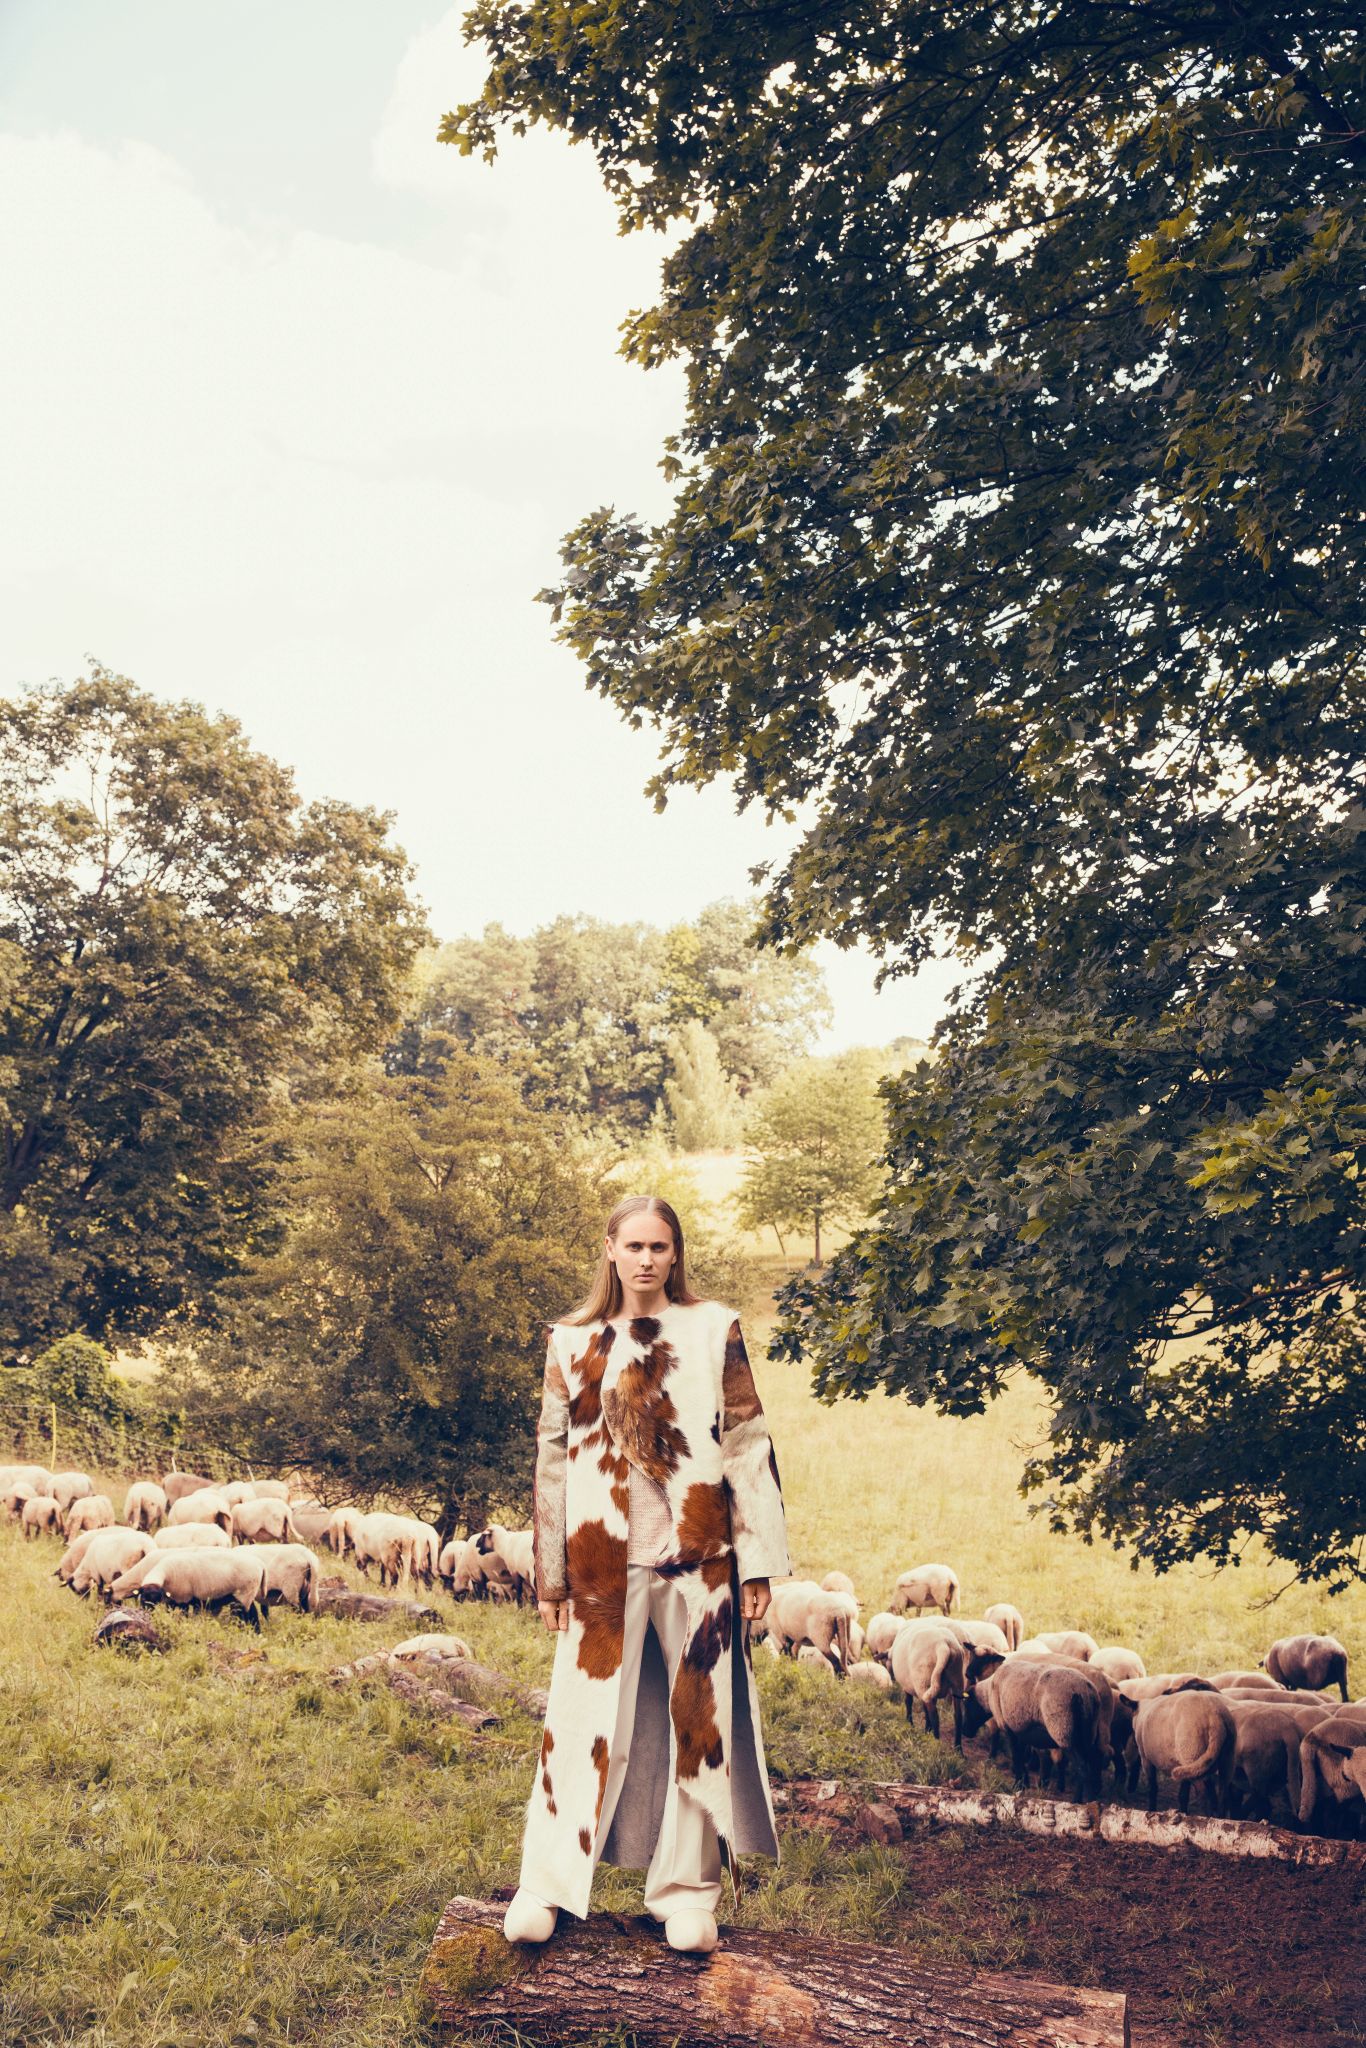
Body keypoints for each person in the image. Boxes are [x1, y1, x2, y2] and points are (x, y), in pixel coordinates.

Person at [503, 1193, 792, 1954]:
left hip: (701, 1562)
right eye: (633, 1246)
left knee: (700, 1720)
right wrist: (551, 1575)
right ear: (610, 1249)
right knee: (582, 1720)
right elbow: (552, 1463)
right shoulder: (572, 1342)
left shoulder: (712, 1329)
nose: (646, 1259)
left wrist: (759, 1562)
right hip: (601, 1565)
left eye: (659, 1247)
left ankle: (686, 1894)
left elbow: (748, 1444)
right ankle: (546, 1885)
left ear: (675, 1253)